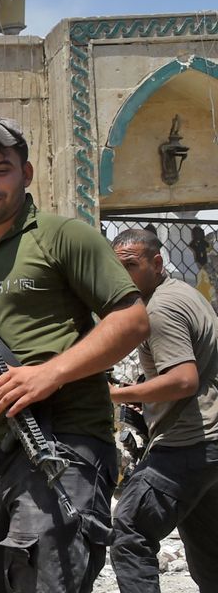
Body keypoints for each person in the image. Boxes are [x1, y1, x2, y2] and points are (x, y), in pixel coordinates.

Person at [0, 115, 150, 593]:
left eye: (0, 169)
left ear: (26, 174)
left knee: (48, 579)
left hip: (62, 444)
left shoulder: (62, 237)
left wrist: (49, 374)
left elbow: (131, 319)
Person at [109, 228, 218, 592]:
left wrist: (118, 394)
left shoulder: (160, 309)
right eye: (117, 267)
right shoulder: (182, 293)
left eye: (131, 265)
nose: (123, 276)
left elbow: (183, 379)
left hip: (187, 443)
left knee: (130, 530)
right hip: (208, 444)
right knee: (209, 551)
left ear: (156, 263)